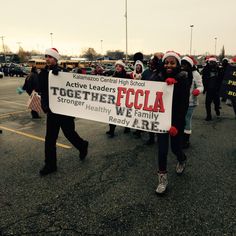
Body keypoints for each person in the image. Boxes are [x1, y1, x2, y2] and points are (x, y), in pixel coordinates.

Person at [38, 48, 89, 176]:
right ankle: (50, 164)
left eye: (50, 56)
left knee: (69, 134)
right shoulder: (43, 72)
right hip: (52, 111)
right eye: (46, 56)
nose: (47, 59)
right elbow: (41, 89)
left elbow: (72, 89)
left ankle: (82, 146)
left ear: (55, 59)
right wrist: (45, 105)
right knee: (50, 139)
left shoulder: (64, 72)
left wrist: (60, 76)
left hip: (64, 111)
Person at [155, 51, 190, 194]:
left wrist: (175, 124)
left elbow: (183, 106)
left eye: (172, 62)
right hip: (161, 120)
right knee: (162, 151)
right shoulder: (157, 76)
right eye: (166, 62)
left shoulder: (183, 80)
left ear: (177, 65)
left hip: (176, 122)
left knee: (175, 148)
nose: (168, 65)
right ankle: (162, 179)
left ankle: (182, 159)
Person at [181, 56, 203, 148]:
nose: (183, 66)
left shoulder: (195, 74)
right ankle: (181, 137)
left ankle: (186, 140)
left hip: (190, 102)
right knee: (180, 119)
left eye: (185, 64)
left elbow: (201, 86)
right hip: (180, 101)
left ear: (190, 65)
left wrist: (198, 90)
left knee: (187, 119)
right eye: (182, 64)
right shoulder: (180, 73)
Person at [106, 60, 130, 137]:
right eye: (117, 66)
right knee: (112, 114)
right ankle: (111, 130)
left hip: (124, 98)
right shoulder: (113, 76)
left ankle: (127, 127)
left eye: (119, 66)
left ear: (122, 67)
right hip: (115, 98)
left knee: (124, 113)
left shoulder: (127, 76)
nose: (118, 68)